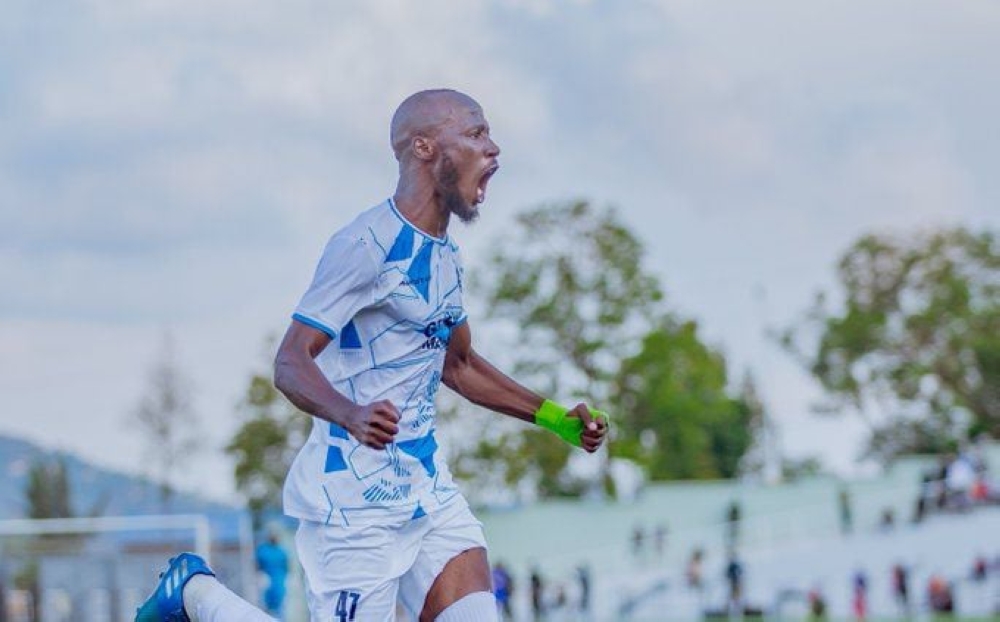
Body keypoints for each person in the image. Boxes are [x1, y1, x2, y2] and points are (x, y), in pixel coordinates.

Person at [133, 89, 609, 622]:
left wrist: (555, 419)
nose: (493, 148)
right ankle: (196, 594)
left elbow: (458, 365)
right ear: (424, 147)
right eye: (476, 133)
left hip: (428, 491)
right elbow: (290, 362)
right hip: (353, 505)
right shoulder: (365, 247)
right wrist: (351, 414)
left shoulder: (446, 257)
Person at [255, 530, 289, 618]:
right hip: (266, 580)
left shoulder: (281, 551)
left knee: (281, 607)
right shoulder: (262, 550)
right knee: (264, 606)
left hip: (279, 581)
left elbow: (287, 566)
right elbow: (257, 566)